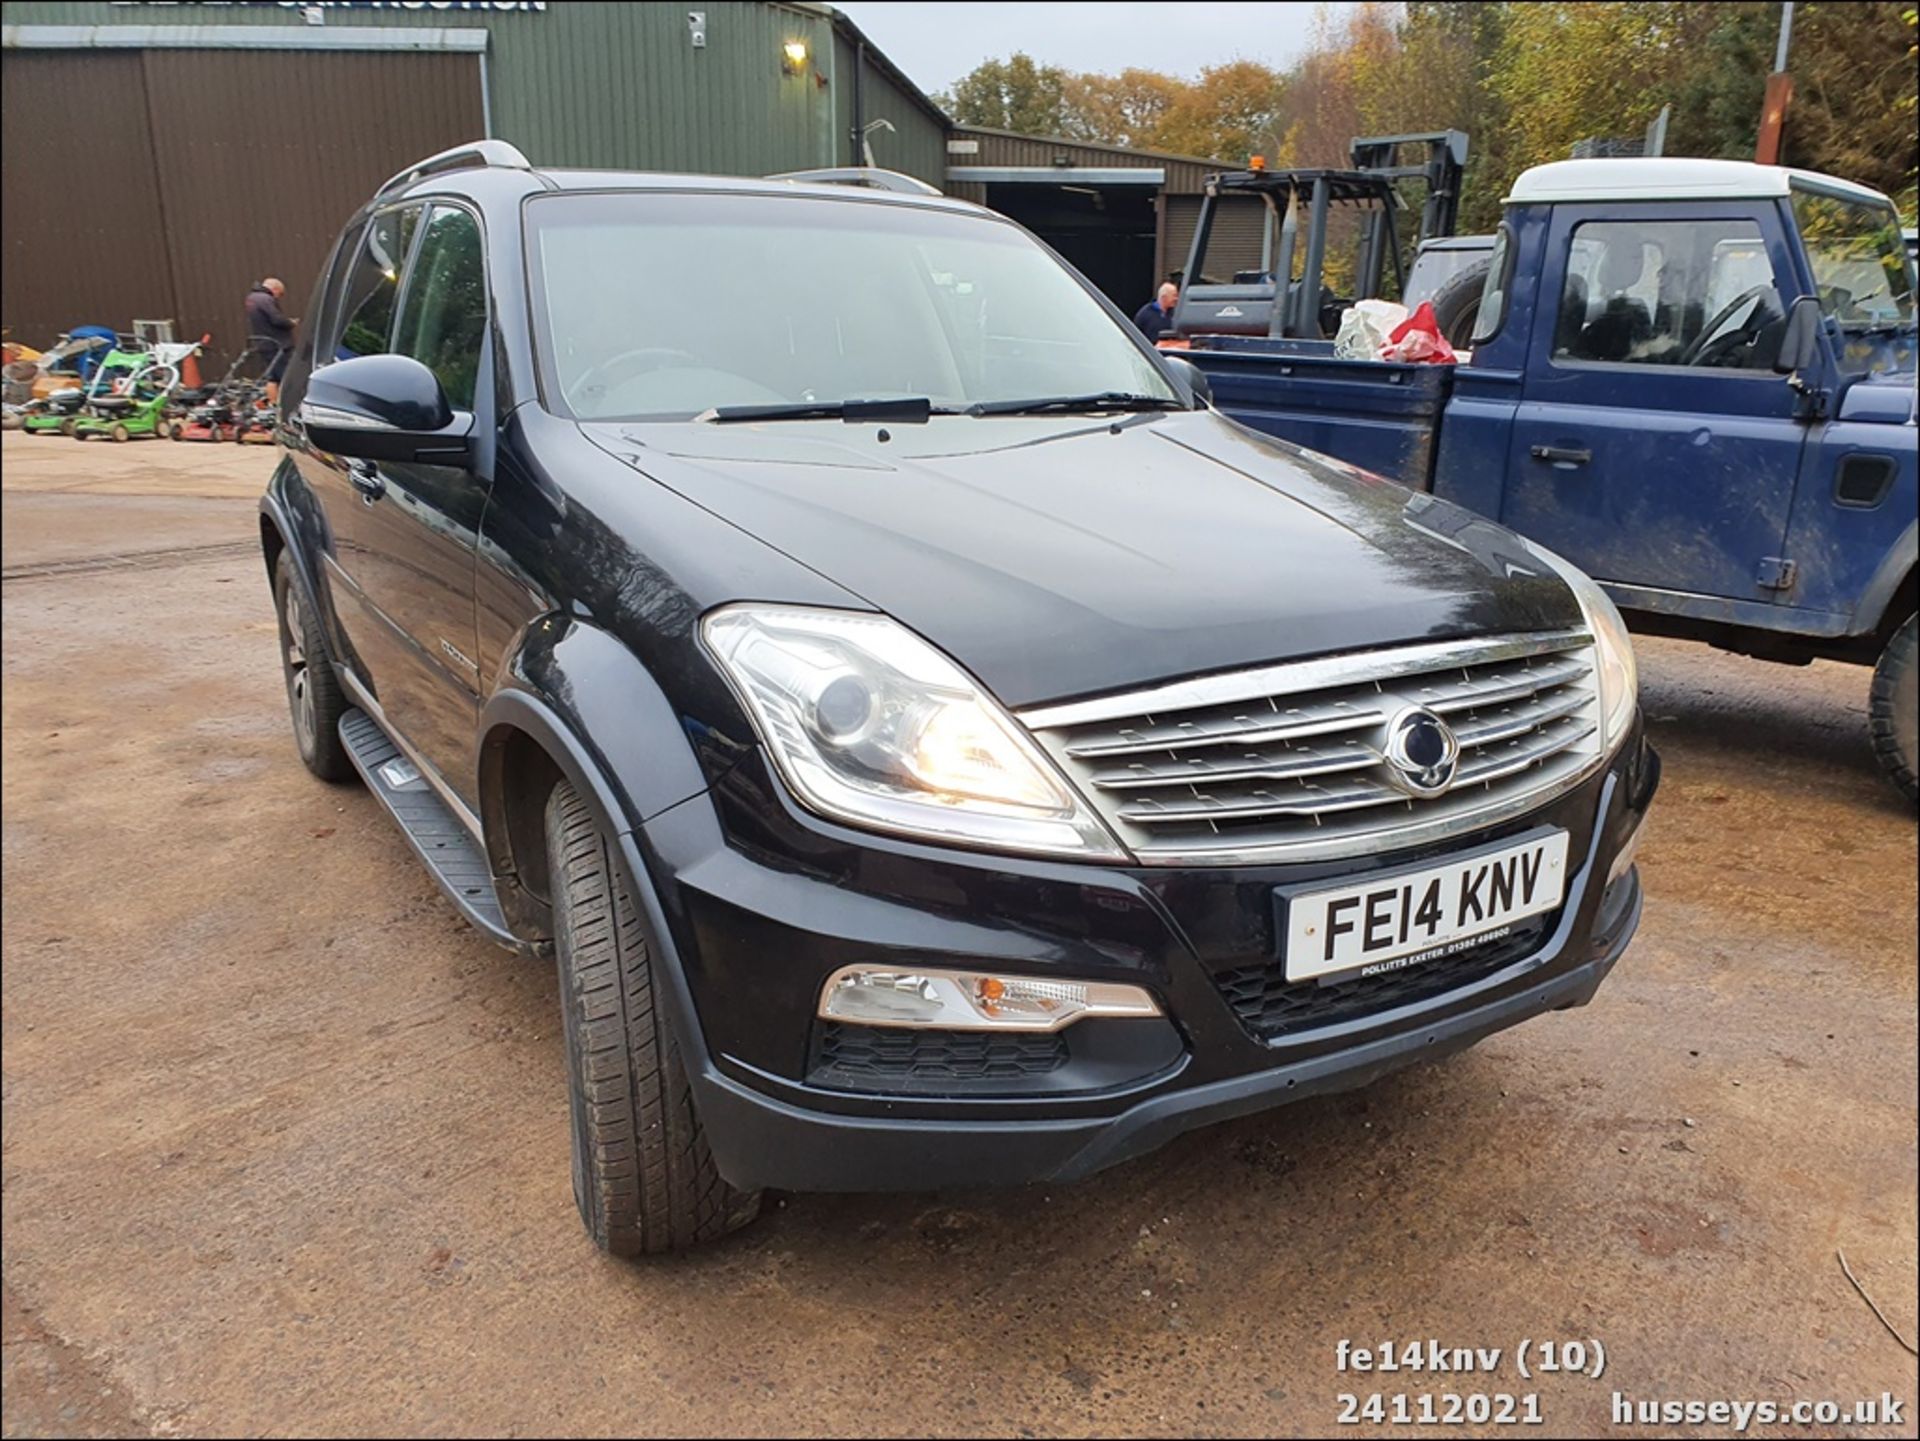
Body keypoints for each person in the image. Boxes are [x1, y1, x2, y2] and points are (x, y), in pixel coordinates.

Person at [244, 278, 296, 405]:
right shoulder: (266, 299)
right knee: (286, 376)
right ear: (275, 289)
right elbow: (276, 319)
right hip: (277, 343)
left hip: (263, 343)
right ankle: (287, 404)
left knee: (272, 376)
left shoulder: (252, 298)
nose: (279, 297)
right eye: (280, 293)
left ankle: (273, 403)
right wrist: (290, 323)